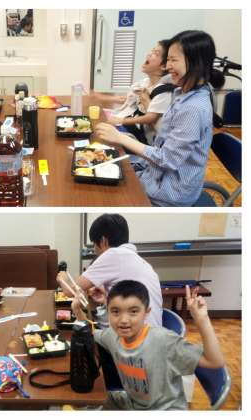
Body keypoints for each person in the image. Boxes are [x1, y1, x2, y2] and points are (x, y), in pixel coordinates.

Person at [95, 30, 225, 206]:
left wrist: (120, 137)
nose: (168, 65)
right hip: (155, 172)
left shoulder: (193, 108)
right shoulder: (185, 91)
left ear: (196, 62)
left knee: (103, 190)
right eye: (167, 59)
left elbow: (167, 159)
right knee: (104, 163)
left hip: (169, 190)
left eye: (173, 60)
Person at [72, 280, 225, 410]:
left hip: (166, 409)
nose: (123, 320)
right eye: (115, 312)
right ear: (107, 312)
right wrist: (77, 310)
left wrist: (202, 319)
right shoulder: (112, 336)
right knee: (89, 402)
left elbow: (214, 362)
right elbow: (89, 331)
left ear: (146, 312)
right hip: (133, 403)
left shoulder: (163, 340)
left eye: (133, 311)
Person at [57, 214, 162, 327]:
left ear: (103, 241)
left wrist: (62, 277)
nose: (94, 249)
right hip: (153, 333)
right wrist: (106, 293)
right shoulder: (140, 261)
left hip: (136, 335)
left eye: (94, 244)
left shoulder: (114, 255)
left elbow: (70, 292)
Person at [105, 40, 174, 144]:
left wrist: (121, 121)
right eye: (152, 51)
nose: (149, 54)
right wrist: (103, 98)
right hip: (134, 128)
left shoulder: (164, 91)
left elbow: (151, 118)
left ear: (164, 66)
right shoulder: (145, 82)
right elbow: (129, 99)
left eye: (156, 53)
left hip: (145, 140)